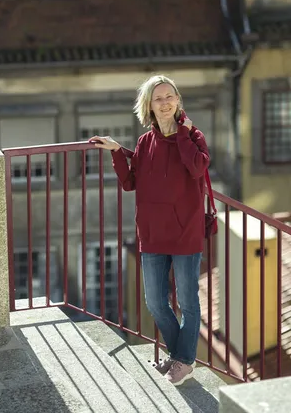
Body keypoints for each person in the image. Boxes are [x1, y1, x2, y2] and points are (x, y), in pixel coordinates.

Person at [89, 75, 210, 386]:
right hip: (152, 234)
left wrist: (182, 134)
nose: (166, 102)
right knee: (155, 301)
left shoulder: (194, 137)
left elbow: (197, 168)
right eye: (159, 98)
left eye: (170, 96)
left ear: (178, 101)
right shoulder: (144, 143)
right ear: (150, 106)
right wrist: (117, 152)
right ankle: (179, 355)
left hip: (185, 233)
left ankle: (183, 361)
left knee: (188, 301)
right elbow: (131, 183)